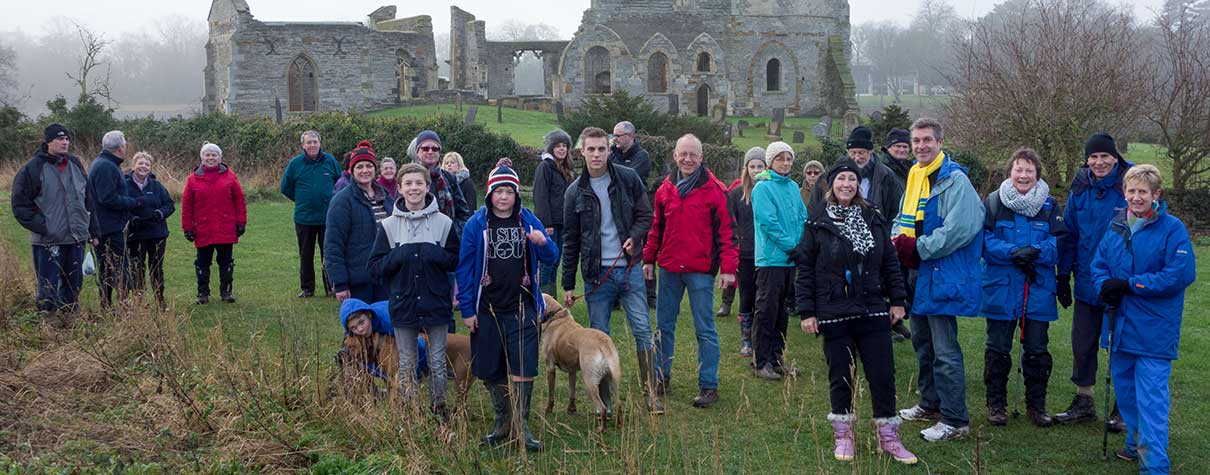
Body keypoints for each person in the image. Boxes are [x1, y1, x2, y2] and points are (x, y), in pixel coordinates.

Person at [795, 158, 917, 465]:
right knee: (841, 376)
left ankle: (888, 436)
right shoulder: (817, 222)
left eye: (852, 179)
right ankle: (844, 435)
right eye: (841, 179)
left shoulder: (873, 217)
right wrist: (807, 311)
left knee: (882, 375)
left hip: (873, 307)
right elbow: (806, 268)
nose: (847, 184)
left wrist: (898, 300)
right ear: (830, 184)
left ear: (859, 185)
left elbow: (889, 261)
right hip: (834, 309)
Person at [1092, 164, 1195, 472]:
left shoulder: (1172, 229)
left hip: (1153, 328)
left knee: (1151, 400)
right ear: (1124, 193)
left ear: (1156, 195)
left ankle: (1154, 465)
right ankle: (1135, 443)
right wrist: (1104, 287)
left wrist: (1132, 284)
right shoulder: (1116, 225)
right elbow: (1098, 265)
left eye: (1143, 192)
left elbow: (1179, 274)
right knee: (1126, 393)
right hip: (1119, 324)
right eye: (1131, 191)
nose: (1136, 197)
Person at [457, 160, 557, 451]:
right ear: (489, 194)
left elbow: (552, 257)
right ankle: (502, 422)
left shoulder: (528, 220)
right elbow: (464, 269)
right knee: (490, 367)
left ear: (516, 194)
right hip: (487, 308)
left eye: (509, 191)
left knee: (524, 365)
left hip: (522, 308)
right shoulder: (477, 224)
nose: (503, 197)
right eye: (498, 191)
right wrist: (467, 309)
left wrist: (543, 244)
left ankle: (521, 425)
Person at [892, 118, 982, 442]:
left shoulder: (955, 180)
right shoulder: (915, 175)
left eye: (927, 140)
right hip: (916, 271)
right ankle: (929, 404)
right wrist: (894, 242)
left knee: (945, 348)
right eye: (916, 141)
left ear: (940, 142)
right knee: (922, 343)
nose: (921, 146)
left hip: (940, 271)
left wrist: (918, 248)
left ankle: (955, 419)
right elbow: (902, 218)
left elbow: (961, 228)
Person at [560, 126, 661, 414]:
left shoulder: (628, 179)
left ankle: (651, 395)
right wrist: (568, 284)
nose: (596, 154)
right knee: (599, 336)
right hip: (596, 276)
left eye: (601, 149)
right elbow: (571, 240)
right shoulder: (574, 192)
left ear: (609, 150)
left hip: (628, 269)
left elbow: (646, 215)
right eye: (590, 149)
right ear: (582, 152)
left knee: (642, 329)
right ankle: (603, 401)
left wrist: (636, 236)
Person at [643, 134, 737, 409]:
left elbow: (727, 233)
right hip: (669, 268)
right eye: (682, 154)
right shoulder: (664, 189)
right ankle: (661, 377)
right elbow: (656, 228)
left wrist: (728, 269)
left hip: (700, 271)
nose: (687, 159)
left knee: (705, 329)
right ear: (674, 156)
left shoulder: (716, 190)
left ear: (701, 157)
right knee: (663, 327)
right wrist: (649, 259)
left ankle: (709, 385)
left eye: (692, 154)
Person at [979, 149, 1065, 427]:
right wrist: (1014, 251)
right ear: (1010, 172)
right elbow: (983, 242)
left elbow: (1059, 244)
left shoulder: (1050, 206)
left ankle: (1036, 406)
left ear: (1037, 174)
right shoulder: (993, 203)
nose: (1023, 175)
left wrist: (1035, 251)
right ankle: (996, 405)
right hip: (1001, 288)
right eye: (1019, 169)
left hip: (1037, 289)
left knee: (1038, 350)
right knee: (998, 348)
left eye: (1029, 170)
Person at [1054, 133, 1132, 430]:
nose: (1099, 162)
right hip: (1086, 278)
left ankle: (1122, 407)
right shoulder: (1080, 187)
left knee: (1120, 345)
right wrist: (1063, 275)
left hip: (1119, 284)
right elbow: (1069, 234)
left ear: (1115, 157)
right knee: (1082, 344)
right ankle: (1083, 400)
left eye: (1105, 156)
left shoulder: (1129, 185)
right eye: (1093, 157)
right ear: (1086, 159)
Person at [369, 162, 459, 419]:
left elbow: (454, 258)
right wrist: (399, 255)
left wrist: (433, 253)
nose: (414, 188)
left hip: (436, 301)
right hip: (404, 302)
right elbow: (375, 267)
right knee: (407, 361)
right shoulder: (388, 225)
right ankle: (411, 410)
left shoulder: (443, 222)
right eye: (408, 183)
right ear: (399, 188)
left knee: (438, 360)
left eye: (419, 183)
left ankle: (439, 408)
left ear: (427, 187)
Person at [12, 124, 92, 316]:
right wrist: (44, 226)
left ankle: (69, 322)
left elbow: (88, 197)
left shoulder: (75, 163)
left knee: (74, 285)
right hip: (49, 240)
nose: (65, 143)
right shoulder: (32, 168)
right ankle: (47, 327)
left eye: (67, 139)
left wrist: (89, 226)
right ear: (48, 142)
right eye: (60, 139)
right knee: (48, 287)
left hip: (76, 237)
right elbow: (20, 204)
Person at [750, 141, 807, 380]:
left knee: (782, 311)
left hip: (790, 259)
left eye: (789, 159)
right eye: (780, 159)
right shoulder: (763, 188)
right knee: (766, 310)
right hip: (772, 259)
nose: (785, 163)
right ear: (771, 162)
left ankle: (776, 358)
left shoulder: (793, 186)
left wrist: (802, 245)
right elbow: (769, 223)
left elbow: (802, 216)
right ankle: (760, 361)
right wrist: (791, 246)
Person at [325, 141, 390, 303]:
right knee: (361, 327)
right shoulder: (342, 200)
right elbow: (333, 244)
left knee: (386, 326)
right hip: (359, 282)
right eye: (359, 167)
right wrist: (339, 283)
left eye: (369, 166)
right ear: (351, 170)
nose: (365, 171)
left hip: (387, 277)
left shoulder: (386, 197)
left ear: (375, 169)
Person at [181, 142, 247, 304]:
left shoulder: (230, 176)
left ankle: (226, 292)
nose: (210, 158)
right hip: (203, 228)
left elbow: (239, 200)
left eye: (214, 155)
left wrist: (241, 222)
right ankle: (203, 293)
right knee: (202, 262)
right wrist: (187, 227)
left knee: (226, 261)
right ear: (202, 158)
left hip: (225, 226)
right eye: (207, 155)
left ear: (219, 157)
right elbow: (187, 205)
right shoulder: (192, 179)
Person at [280, 130, 340, 298]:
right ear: (303, 145)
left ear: (320, 144)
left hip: (328, 218)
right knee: (305, 254)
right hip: (304, 218)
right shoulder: (295, 164)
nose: (312, 145)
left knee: (329, 254)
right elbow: (285, 187)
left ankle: (331, 287)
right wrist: (301, 199)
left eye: (315, 142)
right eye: (309, 142)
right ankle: (307, 288)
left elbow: (341, 184)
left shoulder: (330, 161)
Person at [88, 130, 145, 307]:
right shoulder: (106, 166)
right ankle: (121, 305)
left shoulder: (105, 163)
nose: (125, 147)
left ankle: (108, 305)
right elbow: (107, 198)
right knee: (118, 267)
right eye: (125, 144)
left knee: (110, 267)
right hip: (108, 227)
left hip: (106, 225)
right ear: (120, 148)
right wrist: (132, 203)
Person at [809, 126, 904, 225]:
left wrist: (884, 235)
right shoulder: (827, 177)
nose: (857, 157)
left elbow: (896, 211)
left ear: (870, 152)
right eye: (853, 153)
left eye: (861, 153)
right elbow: (814, 209)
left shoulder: (886, 176)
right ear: (847, 152)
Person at [724, 147, 765, 356]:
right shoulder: (737, 194)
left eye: (760, 166)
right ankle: (746, 338)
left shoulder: (770, 190)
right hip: (746, 253)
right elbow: (730, 224)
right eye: (753, 166)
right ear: (746, 168)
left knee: (764, 296)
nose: (756, 170)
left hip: (767, 254)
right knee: (747, 295)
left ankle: (762, 337)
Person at [124, 152, 175, 310]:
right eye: (140, 163)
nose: (143, 166)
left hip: (157, 233)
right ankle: (139, 302)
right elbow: (120, 205)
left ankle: (160, 301)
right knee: (137, 269)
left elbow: (169, 205)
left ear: (150, 168)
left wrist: (160, 213)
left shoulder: (157, 186)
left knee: (156, 268)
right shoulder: (124, 185)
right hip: (135, 235)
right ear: (133, 166)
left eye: (147, 164)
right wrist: (131, 218)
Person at [533, 129, 574, 296]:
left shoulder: (566, 169)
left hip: (564, 222)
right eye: (558, 146)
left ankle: (552, 299)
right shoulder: (545, 167)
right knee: (547, 263)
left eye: (564, 146)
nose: (562, 149)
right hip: (551, 223)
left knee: (556, 261)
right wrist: (546, 223)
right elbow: (540, 196)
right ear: (551, 148)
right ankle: (543, 299)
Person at [336, 298, 400, 395]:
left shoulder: (389, 321)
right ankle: (371, 392)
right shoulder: (352, 335)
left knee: (388, 346)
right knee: (353, 358)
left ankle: (399, 387)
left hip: (412, 329)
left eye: (361, 322)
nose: (360, 329)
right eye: (353, 327)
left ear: (369, 315)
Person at [610, 121, 651, 187]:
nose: (614, 139)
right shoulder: (612, 155)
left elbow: (629, 180)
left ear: (629, 136)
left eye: (618, 136)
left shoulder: (642, 157)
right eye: (614, 136)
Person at [442, 152, 477, 216]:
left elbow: (471, 206)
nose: (449, 165)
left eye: (452, 162)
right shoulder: (441, 183)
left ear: (459, 165)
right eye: (447, 163)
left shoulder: (467, 183)